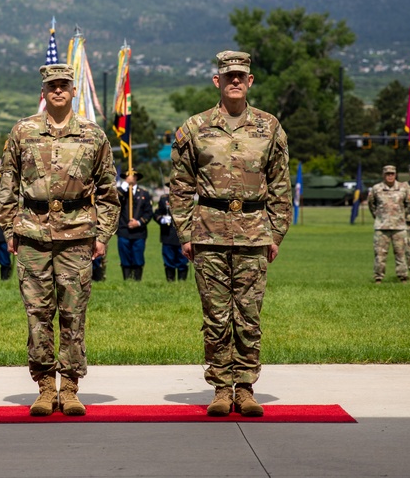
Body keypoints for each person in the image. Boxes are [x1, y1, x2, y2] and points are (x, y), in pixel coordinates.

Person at [170, 51, 291, 417]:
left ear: (250, 81)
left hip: (254, 233)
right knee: (217, 316)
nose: (235, 81)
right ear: (217, 82)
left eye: (241, 76)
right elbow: (179, 185)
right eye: (228, 76)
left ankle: (247, 387)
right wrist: (185, 232)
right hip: (208, 231)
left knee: (249, 315)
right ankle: (222, 388)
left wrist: (276, 233)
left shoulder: (270, 128)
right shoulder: (195, 128)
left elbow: (281, 185)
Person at [0, 63, 119, 417]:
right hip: (33, 234)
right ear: (43, 90)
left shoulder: (93, 135)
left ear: (73, 89)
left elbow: (109, 192)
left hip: (78, 235)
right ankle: (45, 386)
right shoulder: (23, 132)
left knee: (73, 314)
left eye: (64, 84)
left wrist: (103, 235)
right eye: (52, 85)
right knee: (37, 314)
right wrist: (9, 230)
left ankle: (69, 387)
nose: (58, 90)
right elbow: (7, 186)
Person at [368, 164, 409, 284]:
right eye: (387, 174)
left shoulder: (403, 188)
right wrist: (379, 217)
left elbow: (408, 204)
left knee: (401, 254)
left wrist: (401, 217)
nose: (390, 176)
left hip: (399, 227)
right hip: (382, 227)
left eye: (392, 174)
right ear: (383, 175)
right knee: (380, 255)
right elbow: (372, 205)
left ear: (395, 174)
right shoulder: (376, 189)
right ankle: (378, 278)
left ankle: (403, 278)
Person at [116, 170, 154, 280]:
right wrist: (124, 188)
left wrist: (138, 222)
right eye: (127, 176)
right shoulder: (120, 192)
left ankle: (137, 281)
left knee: (138, 257)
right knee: (125, 257)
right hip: (124, 230)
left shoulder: (143, 193)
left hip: (139, 232)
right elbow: (115, 203)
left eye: (133, 175)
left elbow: (149, 212)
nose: (130, 178)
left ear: (136, 177)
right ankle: (127, 280)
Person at [155, 186, 189, 281]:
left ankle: (182, 282)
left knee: (182, 260)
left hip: (181, 234)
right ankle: (170, 281)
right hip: (168, 234)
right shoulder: (164, 199)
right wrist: (162, 219)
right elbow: (156, 214)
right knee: (168, 260)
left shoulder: (185, 200)